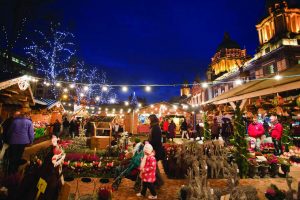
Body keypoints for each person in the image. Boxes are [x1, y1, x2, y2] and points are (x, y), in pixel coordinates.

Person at [148, 114, 164, 188]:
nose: (149, 121)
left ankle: (159, 182)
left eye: (149, 119)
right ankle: (157, 182)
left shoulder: (156, 128)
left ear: (152, 120)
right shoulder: (154, 127)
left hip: (156, 149)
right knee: (154, 166)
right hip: (153, 149)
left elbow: (156, 140)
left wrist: (148, 143)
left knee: (154, 166)